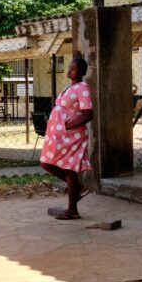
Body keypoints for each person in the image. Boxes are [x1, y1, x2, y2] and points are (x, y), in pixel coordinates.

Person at [40, 58, 94, 220]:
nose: (70, 70)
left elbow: (88, 113)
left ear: (82, 72)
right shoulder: (70, 87)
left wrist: (67, 127)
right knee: (46, 162)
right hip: (60, 135)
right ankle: (78, 188)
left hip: (72, 135)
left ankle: (72, 210)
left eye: (74, 69)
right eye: (69, 67)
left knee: (68, 169)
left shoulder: (82, 87)